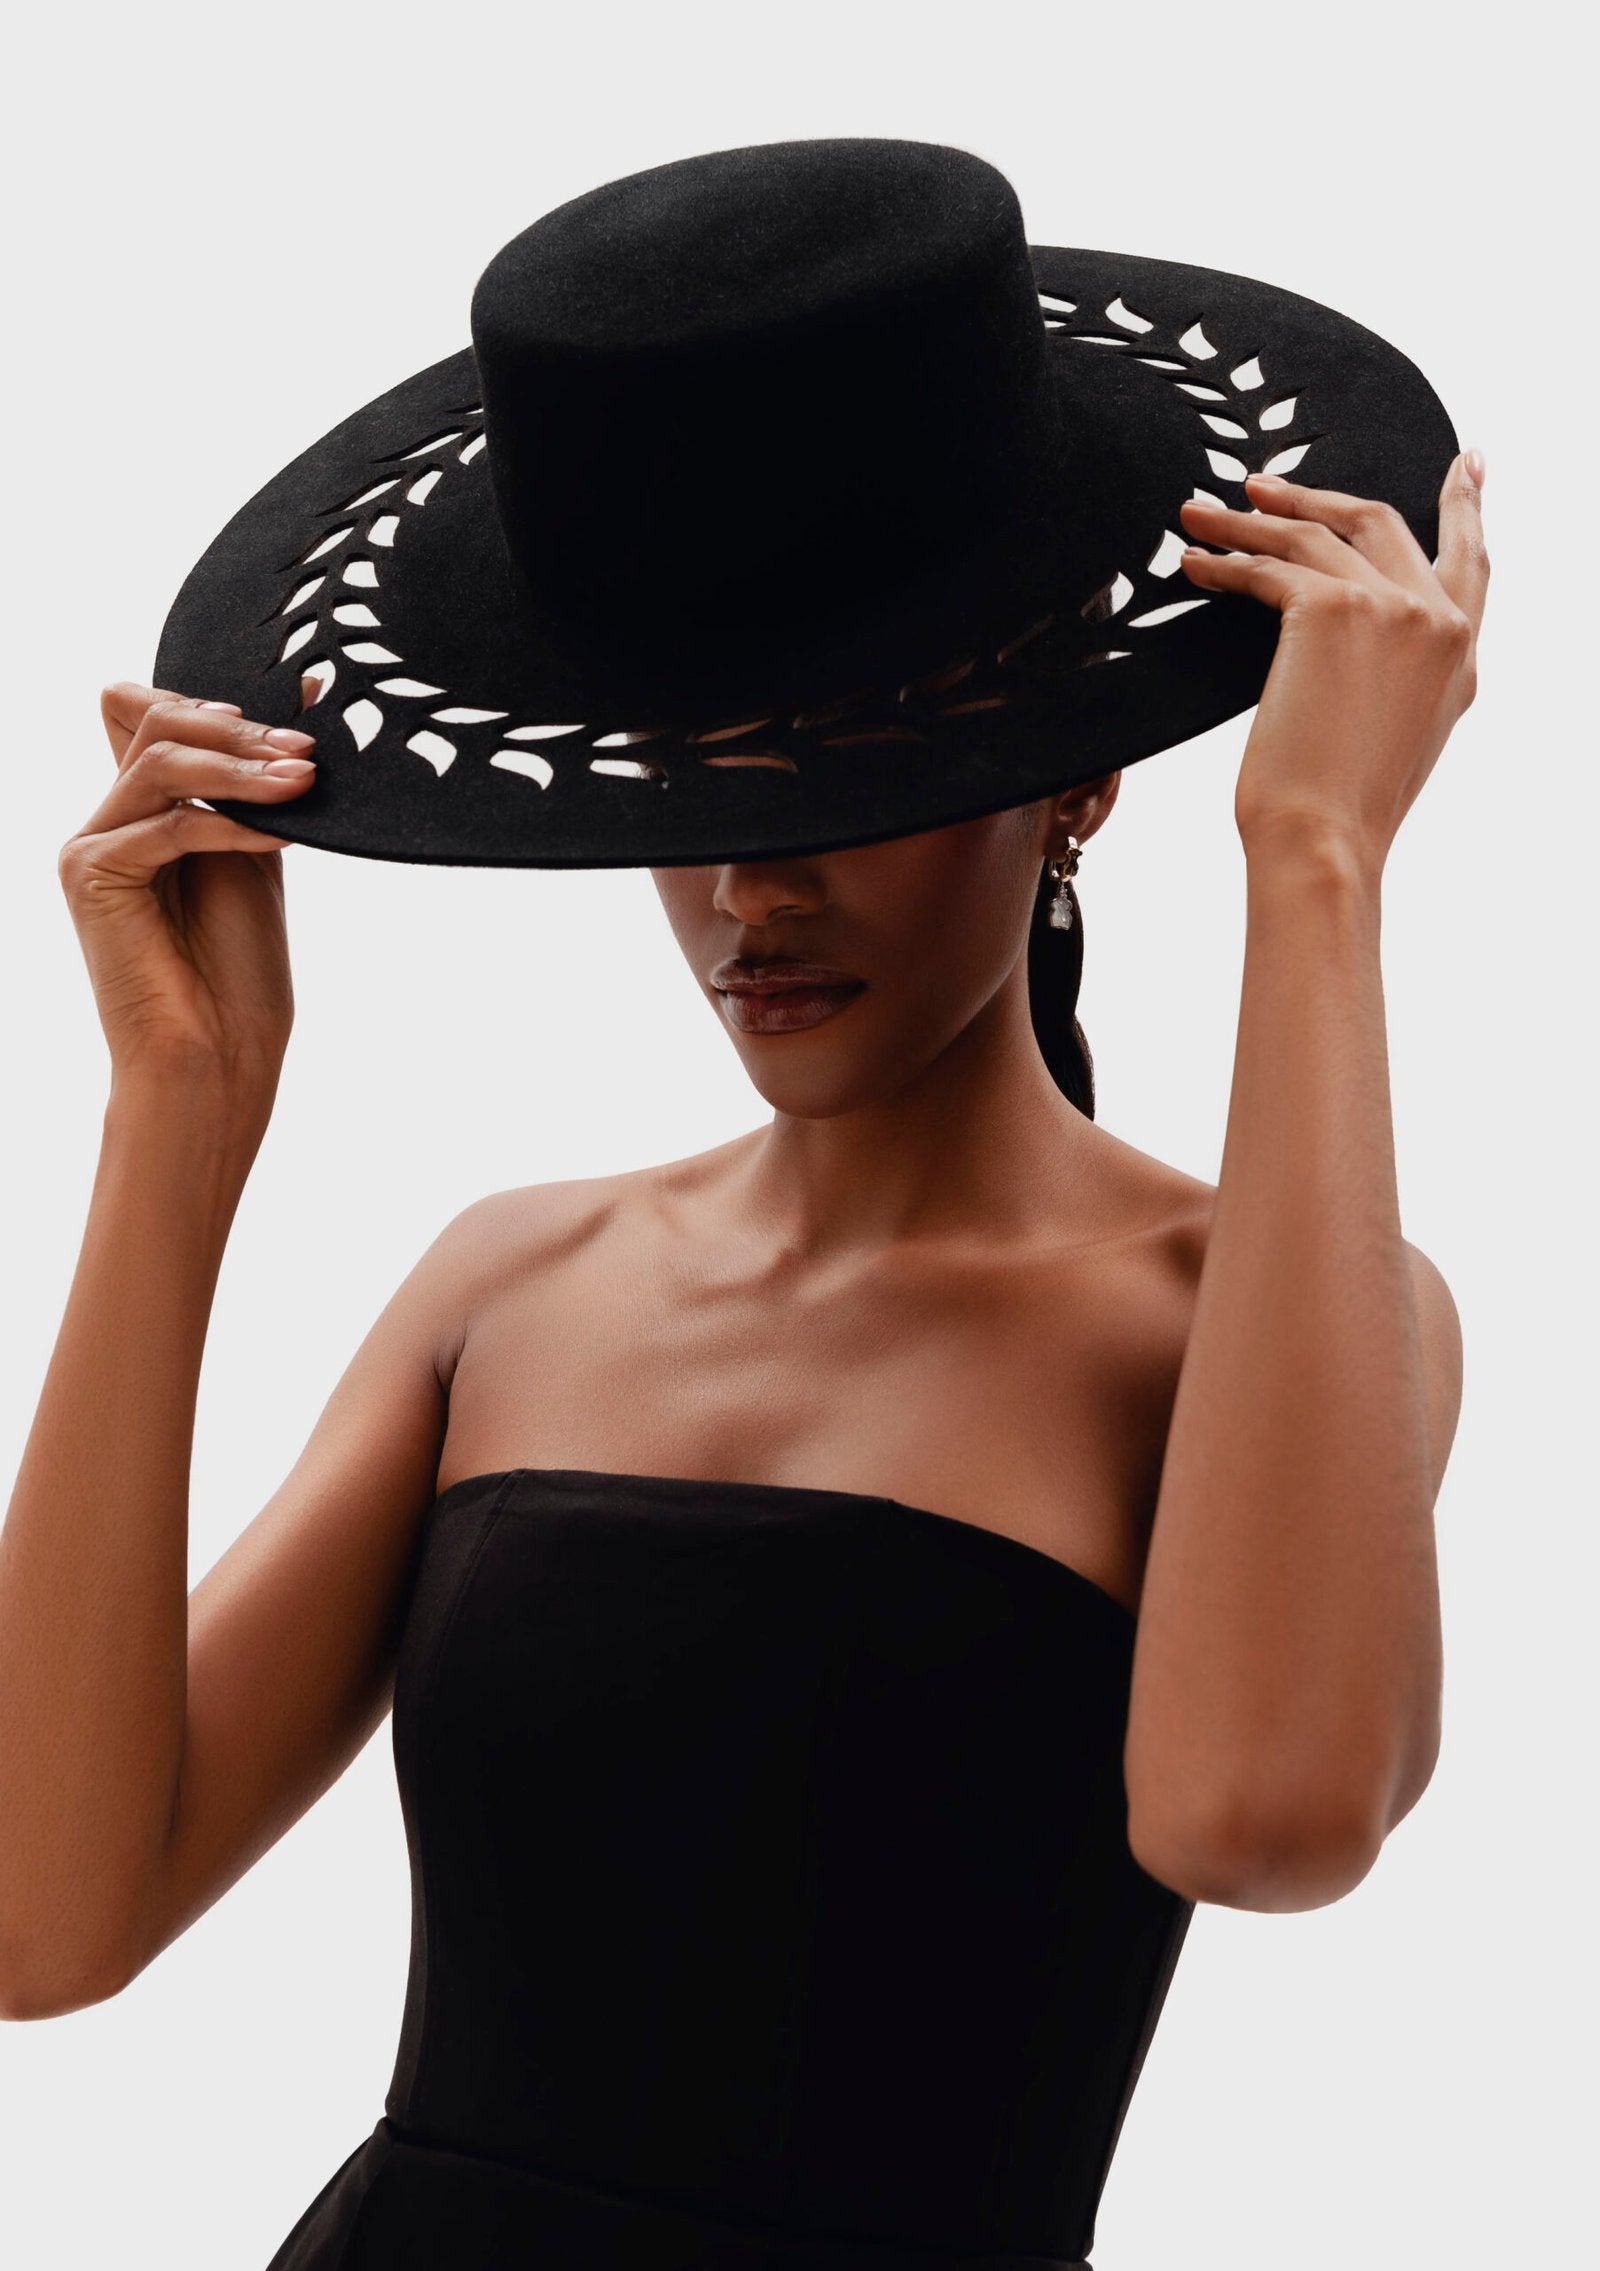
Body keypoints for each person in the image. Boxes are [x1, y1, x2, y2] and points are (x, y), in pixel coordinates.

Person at [0, 140, 1482, 2269]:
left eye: (851, 777)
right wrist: (180, 1110)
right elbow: (39, 1918)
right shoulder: (513, 1278)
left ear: (1077, 765)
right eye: (682, 786)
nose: (746, 891)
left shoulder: (1245, 1316)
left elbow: (1266, 1815)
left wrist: (1317, 860)